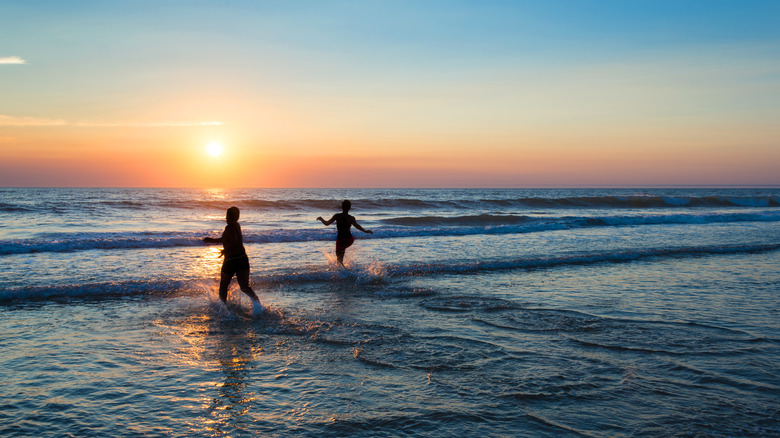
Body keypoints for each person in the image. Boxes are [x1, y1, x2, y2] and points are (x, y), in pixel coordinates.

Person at [203, 206, 260, 304]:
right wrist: (211, 240)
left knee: (223, 286)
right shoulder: (237, 225)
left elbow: (234, 240)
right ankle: (258, 304)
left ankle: (223, 308)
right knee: (244, 287)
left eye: (227, 216)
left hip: (231, 260)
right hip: (242, 259)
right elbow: (228, 239)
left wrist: (225, 250)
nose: (225, 218)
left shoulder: (229, 227)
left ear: (229, 216)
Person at [317, 200, 373, 265]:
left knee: (339, 260)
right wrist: (365, 231)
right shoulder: (351, 218)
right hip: (349, 239)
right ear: (349, 208)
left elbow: (327, 223)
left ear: (342, 207)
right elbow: (357, 226)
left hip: (341, 240)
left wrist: (321, 219)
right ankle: (345, 272)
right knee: (340, 258)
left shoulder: (337, 216)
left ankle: (344, 273)